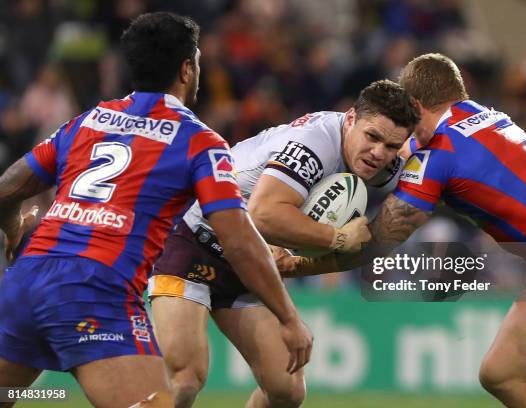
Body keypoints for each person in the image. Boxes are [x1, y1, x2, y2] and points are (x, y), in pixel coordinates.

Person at [0, 12, 312, 408]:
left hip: (23, 283)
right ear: (186, 69)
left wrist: (12, 226)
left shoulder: (87, 121)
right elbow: (238, 240)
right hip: (95, 289)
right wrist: (288, 317)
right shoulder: (199, 141)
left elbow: (6, 189)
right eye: (197, 62)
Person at [277, 53, 526, 407]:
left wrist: (300, 265)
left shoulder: (437, 156)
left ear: (416, 105)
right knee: (503, 373)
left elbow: (378, 243)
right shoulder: (490, 116)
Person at [147, 79, 420, 407]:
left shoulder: (387, 166)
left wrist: (300, 262)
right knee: (185, 379)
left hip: (247, 259)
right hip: (192, 239)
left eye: (391, 146)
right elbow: (261, 215)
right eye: (372, 137)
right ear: (350, 119)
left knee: (286, 391)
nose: (379, 154)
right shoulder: (314, 145)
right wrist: (336, 237)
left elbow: (366, 246)